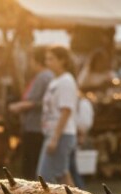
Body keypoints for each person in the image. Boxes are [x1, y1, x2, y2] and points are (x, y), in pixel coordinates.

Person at [9, 46, 53, 180]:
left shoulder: (43, 77)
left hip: (35, 126)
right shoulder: (46, 76)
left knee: (31, 164)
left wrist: (19, 106)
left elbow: (38, 101)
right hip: (37, 125)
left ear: (35, 60)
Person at [36, 45, 78, 184]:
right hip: (54, 133)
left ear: (63, 61)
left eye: (51, 59)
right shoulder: (55, 80)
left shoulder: (66, 81)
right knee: (61, 175)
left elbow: (66, 110)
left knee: (45, 176)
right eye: (46, 59)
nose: (47, 62)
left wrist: (55, 138)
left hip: (61, 134)